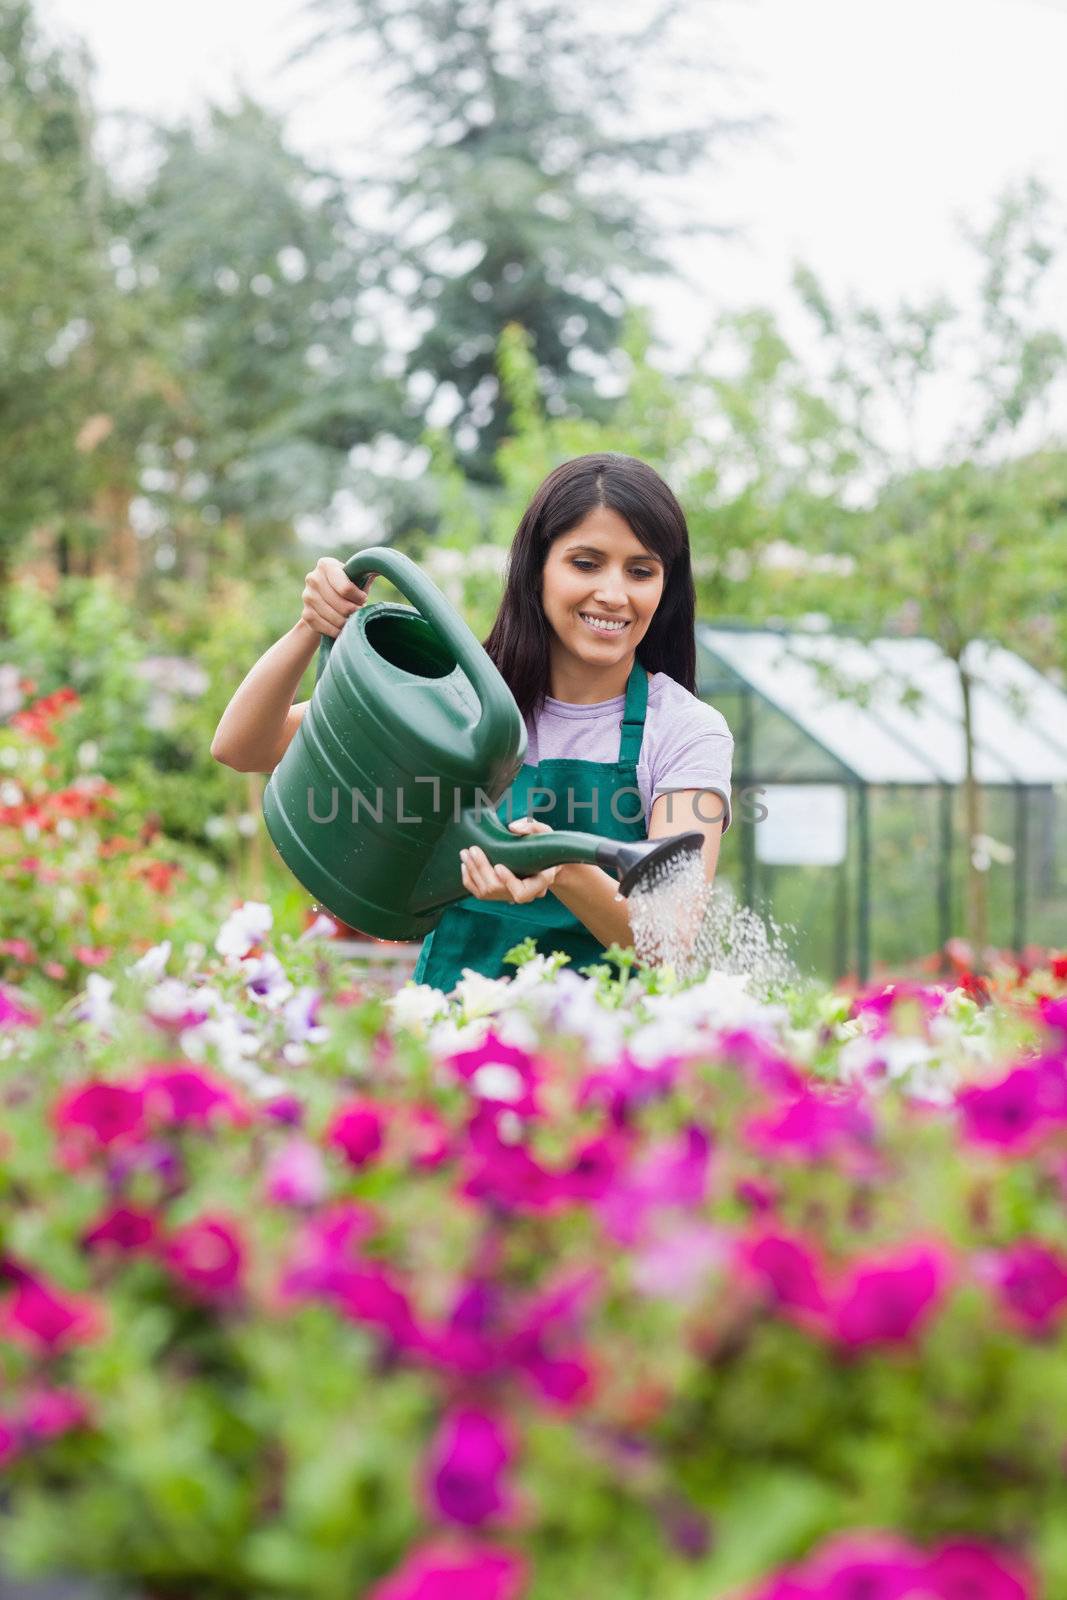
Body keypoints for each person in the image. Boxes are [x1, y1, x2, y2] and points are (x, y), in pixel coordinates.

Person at [211, 452, 734, 988]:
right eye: (585, 562)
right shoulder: (461, 693)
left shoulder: (684, 731)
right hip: (450, 1031)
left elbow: (668, 942)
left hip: (600, 1052)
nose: (614, 593)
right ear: (537, 570)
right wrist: (310, 625)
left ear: (665, 588)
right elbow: (242, 747)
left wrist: (563, 869)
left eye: (641, 571)